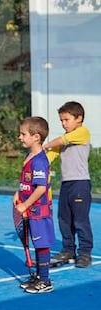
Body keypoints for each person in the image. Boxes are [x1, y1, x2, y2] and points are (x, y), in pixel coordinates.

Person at [44, 101, 93, 268]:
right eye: (61, 121)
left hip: (80, 184)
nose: (64, 123)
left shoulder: (82, 132)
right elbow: (49, 158)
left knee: (80, 220)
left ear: (79, 118)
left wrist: (46, 145)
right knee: (64, 219)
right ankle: (68, 250)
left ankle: (85, 253)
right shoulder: (61, 143)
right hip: (66, 185)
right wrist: (35, 163)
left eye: (66, 119)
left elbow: (62, 140)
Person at [13, 117, 56, 293]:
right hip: (31, 209)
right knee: (36, 242)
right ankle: (38, 276)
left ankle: (45, 281)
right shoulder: (29, 156)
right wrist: (18, 193)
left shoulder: (39, 160)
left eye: (23, 134)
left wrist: (24, 206)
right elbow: (27, 183)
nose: (19, 137)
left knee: (41, 243)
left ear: (36, 137)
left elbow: (40, 189)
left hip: (39, 211)